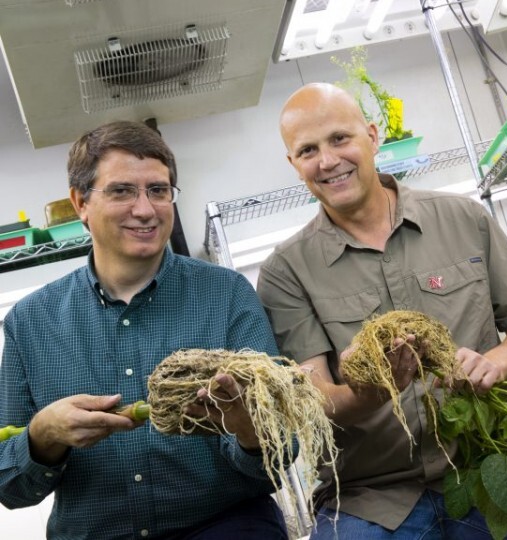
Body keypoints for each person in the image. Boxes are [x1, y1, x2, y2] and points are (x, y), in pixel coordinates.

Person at [257, 83, 507, 539]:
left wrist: (495, 363)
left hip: (497, 465)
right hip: (374, 498)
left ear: (372, 136)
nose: (327, 160)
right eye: (308, 150)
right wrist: (369, 390)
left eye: (339, 139)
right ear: (294, 164)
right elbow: (315, 401)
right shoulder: (285, 272)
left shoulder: (463, 219)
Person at [0, 121, 292, 539]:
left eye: (158, 190)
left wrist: (248, 429)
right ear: (80, 202)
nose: (145, 209)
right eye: (122, 191)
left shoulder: (226, 295)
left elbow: (281, 457)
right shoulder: (30, 323)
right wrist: (43, 436)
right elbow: (9, 486)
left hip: (223, 524)